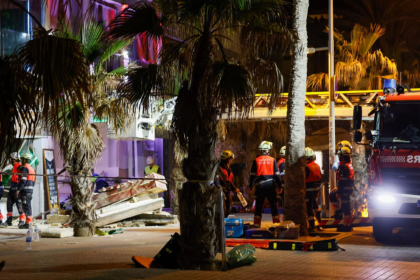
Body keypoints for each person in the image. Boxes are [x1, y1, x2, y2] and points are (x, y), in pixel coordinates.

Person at [249, 141, 283, 227]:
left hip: (260, 187)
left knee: (259, 206)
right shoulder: (272, 160)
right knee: (273, 205)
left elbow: (252, 175)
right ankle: (276, 224)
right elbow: (277, 175)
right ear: (268, 150)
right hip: (271, 187)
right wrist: (280, 186)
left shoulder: (256, 161)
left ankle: (256, 224)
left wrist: (251, 186)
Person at [0, 153, 24, 227]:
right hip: (12, 188)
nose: (10, 160)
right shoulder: (14, 167)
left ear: (14, 159)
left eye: (11, 159)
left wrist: (19, 189)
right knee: (9, 204)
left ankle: (22, 221)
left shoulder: (20, 167)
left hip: (17, 189)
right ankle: (9, 221)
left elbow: (22, 179)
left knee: (19, 205)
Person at [215, 150, 240, 218]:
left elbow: (229, 181)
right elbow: (216, 180)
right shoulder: (218, 169)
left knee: (229, 207)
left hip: (227, 191)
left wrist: (235, 189)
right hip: (221, 192)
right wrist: (219, 190)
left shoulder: (228, 169)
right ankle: (220, 224)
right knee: (222, 209)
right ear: (226, 160)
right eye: (230, 159)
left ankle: (224, 221)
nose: (231, 161)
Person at [336, 146, 354, 232]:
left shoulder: (344, 167)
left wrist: (339, 192)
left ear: (343, 156)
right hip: (348, 189)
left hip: (344, 190)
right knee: (347, 207)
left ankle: (346, 226)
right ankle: (347, 225)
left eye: (340, 155)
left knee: (345, 207)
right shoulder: (349, 165)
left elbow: (342, 182)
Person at [17, 153, 36, 229]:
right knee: (28, 205)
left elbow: (23, 180)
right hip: (30, 190)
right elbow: (34, 181)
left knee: (26, 206)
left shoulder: (25, 168)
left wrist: (19, 189)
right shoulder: (32, 169)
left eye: (22, 159)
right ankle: (28, 222)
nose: (21, 161)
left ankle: (28, 223)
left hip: (25, 190)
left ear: (24, 160)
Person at [305, 147, 322, 231]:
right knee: (315, 205)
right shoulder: (317, 166)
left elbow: (304, 178)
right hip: (316, 189)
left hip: (308, 189)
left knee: (309, 207)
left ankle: (311, 225)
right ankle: (319, 221)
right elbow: (320, 177)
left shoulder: (307, 167)